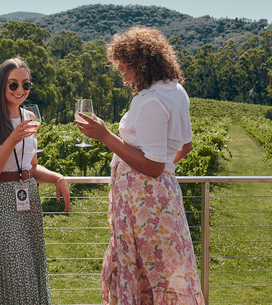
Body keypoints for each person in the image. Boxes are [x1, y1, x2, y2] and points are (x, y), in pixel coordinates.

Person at [75, 27, 205, 305]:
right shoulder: (176, 91)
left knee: (148, 271)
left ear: (143, 62)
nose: (120, 69)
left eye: (125, 64)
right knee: (167, 270)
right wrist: (163, 171)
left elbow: (154, 166)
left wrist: (105, 136)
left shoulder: (151, 101)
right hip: (162, 196)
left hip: (144, 204)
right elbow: (184, 147)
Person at [0, 58, 70, 305]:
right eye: (13, 85)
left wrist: (58, 177)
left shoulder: (28, 116)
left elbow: (32, 167)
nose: (20, 91)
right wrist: (12, 139)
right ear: (1, 86)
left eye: (26, 85)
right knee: (16, 274)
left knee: (29, 269)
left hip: (28, 197)